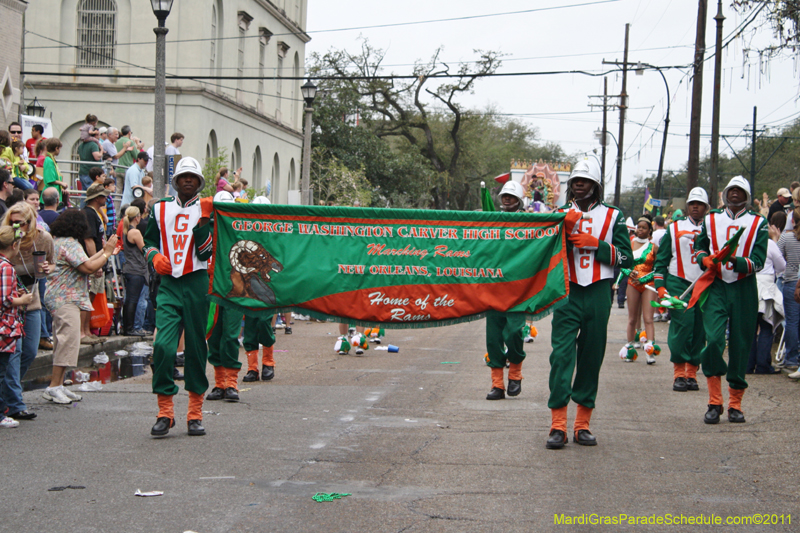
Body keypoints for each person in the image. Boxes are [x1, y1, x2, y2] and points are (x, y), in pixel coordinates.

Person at [546, 159, 632, 449]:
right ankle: (557, 425)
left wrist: (597, 245)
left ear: (595, 185)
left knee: (591, 356)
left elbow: (627, 259)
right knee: (561, 356)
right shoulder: (559, 214)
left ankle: (582, 425)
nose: (578, 184)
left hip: (598, 292)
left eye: (584, 180)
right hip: (567, 292)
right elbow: (545, 252)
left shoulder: (614, 215)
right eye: (575, 180)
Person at [143, 156, 214, 438]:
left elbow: (206, 252)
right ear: (175, 181)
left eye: (192, 177)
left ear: (198, 182)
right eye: (183, 176)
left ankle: (195, 414)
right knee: (162, 346)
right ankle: (165, 412)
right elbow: (148, 240)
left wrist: (206, 218)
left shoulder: (208, 208)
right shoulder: (159, 208)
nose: (188, 180)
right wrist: (154, 255)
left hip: (198, 282)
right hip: (169, 284)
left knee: (197, 348)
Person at [695, 176, 768, 424]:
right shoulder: (711, 218)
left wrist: (735, 262)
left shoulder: (759, 222)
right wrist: (704, 258)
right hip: (716, 285)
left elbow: (758, 259)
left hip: (744, 287)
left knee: (740, 343)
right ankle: (714, 401)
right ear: (725, 193)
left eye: (740, 190)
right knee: (714, 339)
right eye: (731, 190)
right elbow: (699, 245)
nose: (735, 194)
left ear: (747, 195)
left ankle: (735, 403)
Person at [42, 209, 117, 404]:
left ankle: (57, 386)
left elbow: (85, 262)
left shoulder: (59, 242)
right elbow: (88, 267)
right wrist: (107, 252)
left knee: (64, 343)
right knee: (67, 342)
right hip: (66, 298)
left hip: (60, 297)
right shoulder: (70, 244)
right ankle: (53, 387)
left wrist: (104, 251)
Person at [0, 203, 54, 420]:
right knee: (14, 354)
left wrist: (49, 268)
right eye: (12, 222)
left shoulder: (43, 238)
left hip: (30, 299)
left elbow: (52, 263)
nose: (17, 226)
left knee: (30, 351)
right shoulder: (6, 239)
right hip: (11, 303)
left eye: (21, 222)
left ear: (31, 221)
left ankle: (6, 394)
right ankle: (14, 403)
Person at [654, 187, 710, 392]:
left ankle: (692, 373)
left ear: (706, 207)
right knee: (682, 325)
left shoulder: (712, 228)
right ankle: (679, 373)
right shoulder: (674, 228)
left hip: (704, 283)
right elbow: (661, 260)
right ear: (687, 206)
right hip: (678, 282)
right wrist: (660, 286)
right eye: (692, 203)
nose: (696, 207)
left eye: (700, 204)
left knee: (699, 329)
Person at [484, 181, 528, 400]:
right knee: (493, 338)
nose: (507, 199)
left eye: (512, 196)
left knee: (513, 333)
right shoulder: (492, 221)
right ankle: (497, 385)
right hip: (493, 287)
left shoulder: (530, 223)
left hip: (517, 289)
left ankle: (515, 375)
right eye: (504, 196)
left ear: (519, 200)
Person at [205, 191, 244, 403]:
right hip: (212, 291)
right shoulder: (206, 228)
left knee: (230, 335)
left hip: (234, 290)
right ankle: (219, 383)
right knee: (213, 335)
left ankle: (231, 383)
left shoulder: (240, 229)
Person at [0, 226, 35, 428]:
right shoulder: (6, 267)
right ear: (13, 245)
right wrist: (23, 299)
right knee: (2, 371)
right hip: (4, 326)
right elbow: (5, 299)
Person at [747, 211, 786, 374]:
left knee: (749, 329)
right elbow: (782, 267)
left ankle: (748, 365)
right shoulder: (769, 244)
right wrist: (776, 241)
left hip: (749, 286)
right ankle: (763, 365)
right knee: (766, 326)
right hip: (766, 288)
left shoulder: (746, 242)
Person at [621, 214, 659, 364]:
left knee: (648, 318)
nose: (640, 230)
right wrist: (628, 273)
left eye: (644, 228)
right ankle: (630, 350)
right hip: (632, 284)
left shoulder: (654, 247)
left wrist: (645, 278)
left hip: (649, 284)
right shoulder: (629, 244)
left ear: (650, 231)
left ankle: (650, 351)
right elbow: (622, 264)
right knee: (632, 318)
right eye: (639, 227)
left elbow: (658, 268)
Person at [81, 183, 109, 344]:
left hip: (97, 261)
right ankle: (82, 332)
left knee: (90, 298)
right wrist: (96, 263)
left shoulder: (94, 213)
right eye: (104, 195)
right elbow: (89, 239)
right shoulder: (88, 214)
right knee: (86, 298)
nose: (106, 198)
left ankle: (86, 330)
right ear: (97, 198)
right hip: (93, 262)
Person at [777, 207, 800, 372]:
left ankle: (791, 358)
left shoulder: (787, 237)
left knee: (792, 322)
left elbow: (776, 257)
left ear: (792, 220)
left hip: (791, 281)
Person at [120, 206, 149, 336]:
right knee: (133, 300)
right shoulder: (135, 233)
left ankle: (127, 326)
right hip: (137, 269)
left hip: (129, 268)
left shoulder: (126, 231)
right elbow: (144, 249)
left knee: (130, 299)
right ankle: (130, 328)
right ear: (137, 217)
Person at [41, 138, 67, 208]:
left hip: (55, 192)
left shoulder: (51, 159)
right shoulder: (49, 160)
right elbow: (50, 179)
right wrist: (61, 183)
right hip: (50, 195)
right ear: (56, 148)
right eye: (59, 149)